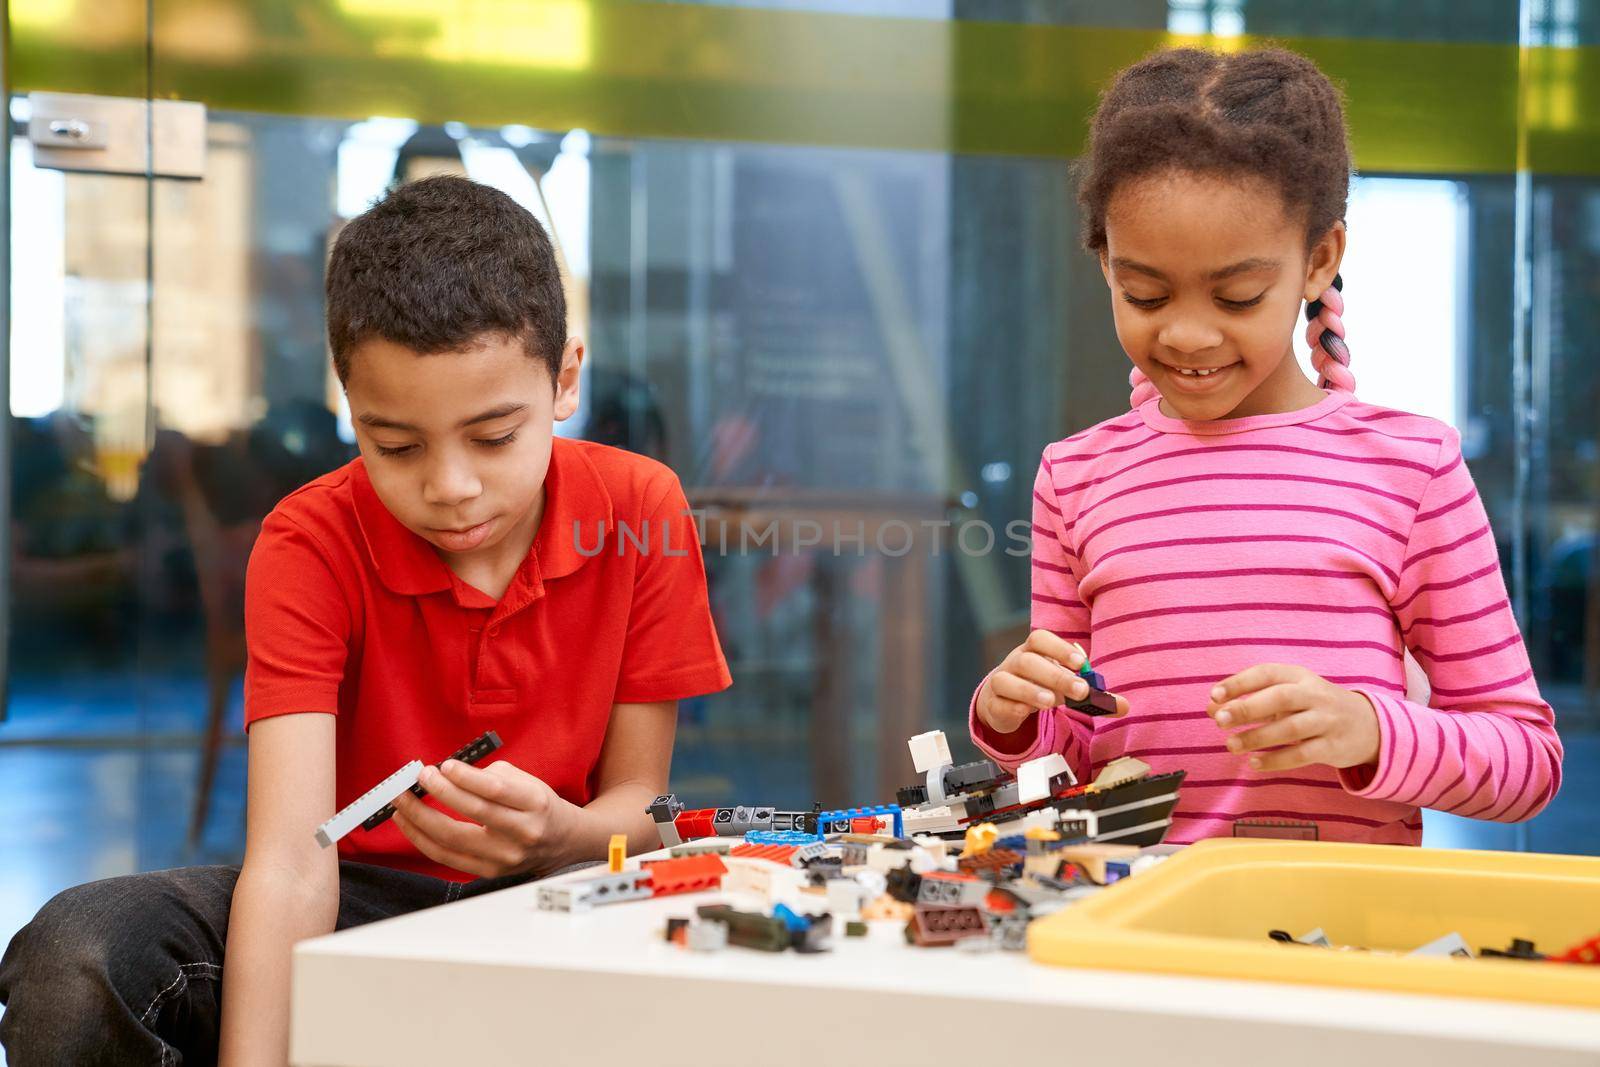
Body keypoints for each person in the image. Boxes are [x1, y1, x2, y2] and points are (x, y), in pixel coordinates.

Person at [0, 174, 731, 1065]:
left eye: (495, 437)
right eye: (396, 445)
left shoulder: (638, 506)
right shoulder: (309, 539)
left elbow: (642, 811)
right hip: (355, 897)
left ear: (565, 378)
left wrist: (555, 833)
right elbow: (293, 860)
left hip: (556, 889)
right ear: (349, 404)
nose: (449, 485)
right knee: (79, 954)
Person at [972, 47, 1561, 844]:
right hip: (1129, 931)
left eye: (1237, 295)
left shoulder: (1410, 469)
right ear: (1105, 260)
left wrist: (1371, 732)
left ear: (1319, 260)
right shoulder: (1075, 476)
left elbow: (1528, 761)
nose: (1186, 331)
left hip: (1333, 939)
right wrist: (1012, 720)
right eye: (1144, 292)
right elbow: (1080, 755)